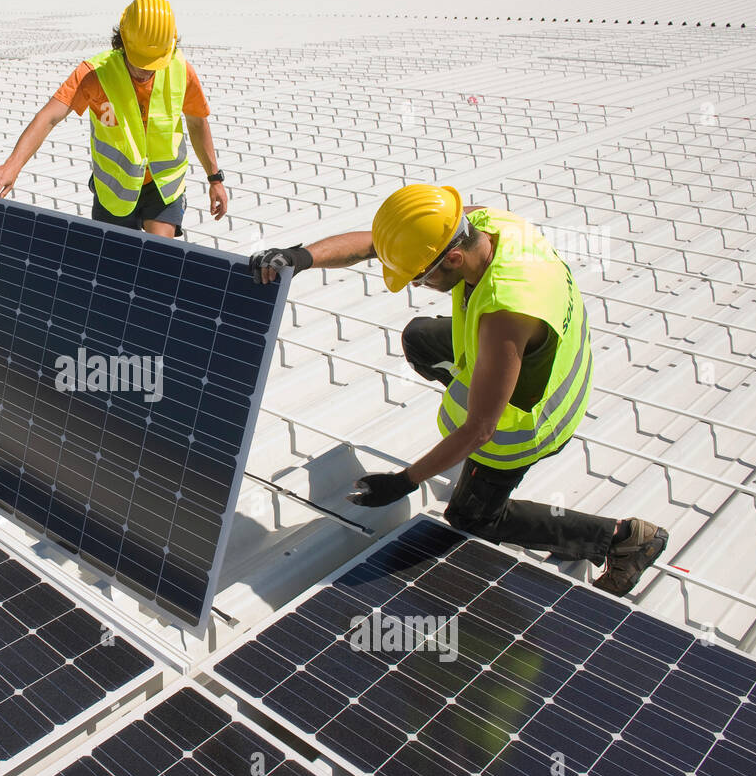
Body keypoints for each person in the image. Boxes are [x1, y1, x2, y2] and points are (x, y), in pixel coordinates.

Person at [250, 184, 668, 597]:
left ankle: (622, 538)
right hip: (550, 352)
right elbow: (377, 245)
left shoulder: (506, 311)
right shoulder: (484, 225)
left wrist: (405, 481)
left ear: (452, 258)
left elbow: (480, 430)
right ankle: (487, 386)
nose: (416, 285)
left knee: (471, 517)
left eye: (420, 278)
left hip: (535, 418)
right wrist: (302, 258)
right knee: (420, 338)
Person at [0, 0, 228, 239]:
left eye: (154, 63)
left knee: (159, 258)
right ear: (122, 43)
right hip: (114, 192)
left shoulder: (181, 70)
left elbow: (197, 123)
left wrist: (215, 179)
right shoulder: (94, 74)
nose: (145, 70)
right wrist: (12, 166)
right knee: (114, 268)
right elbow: (49, 118)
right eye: (140, 61)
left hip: (164, 188)